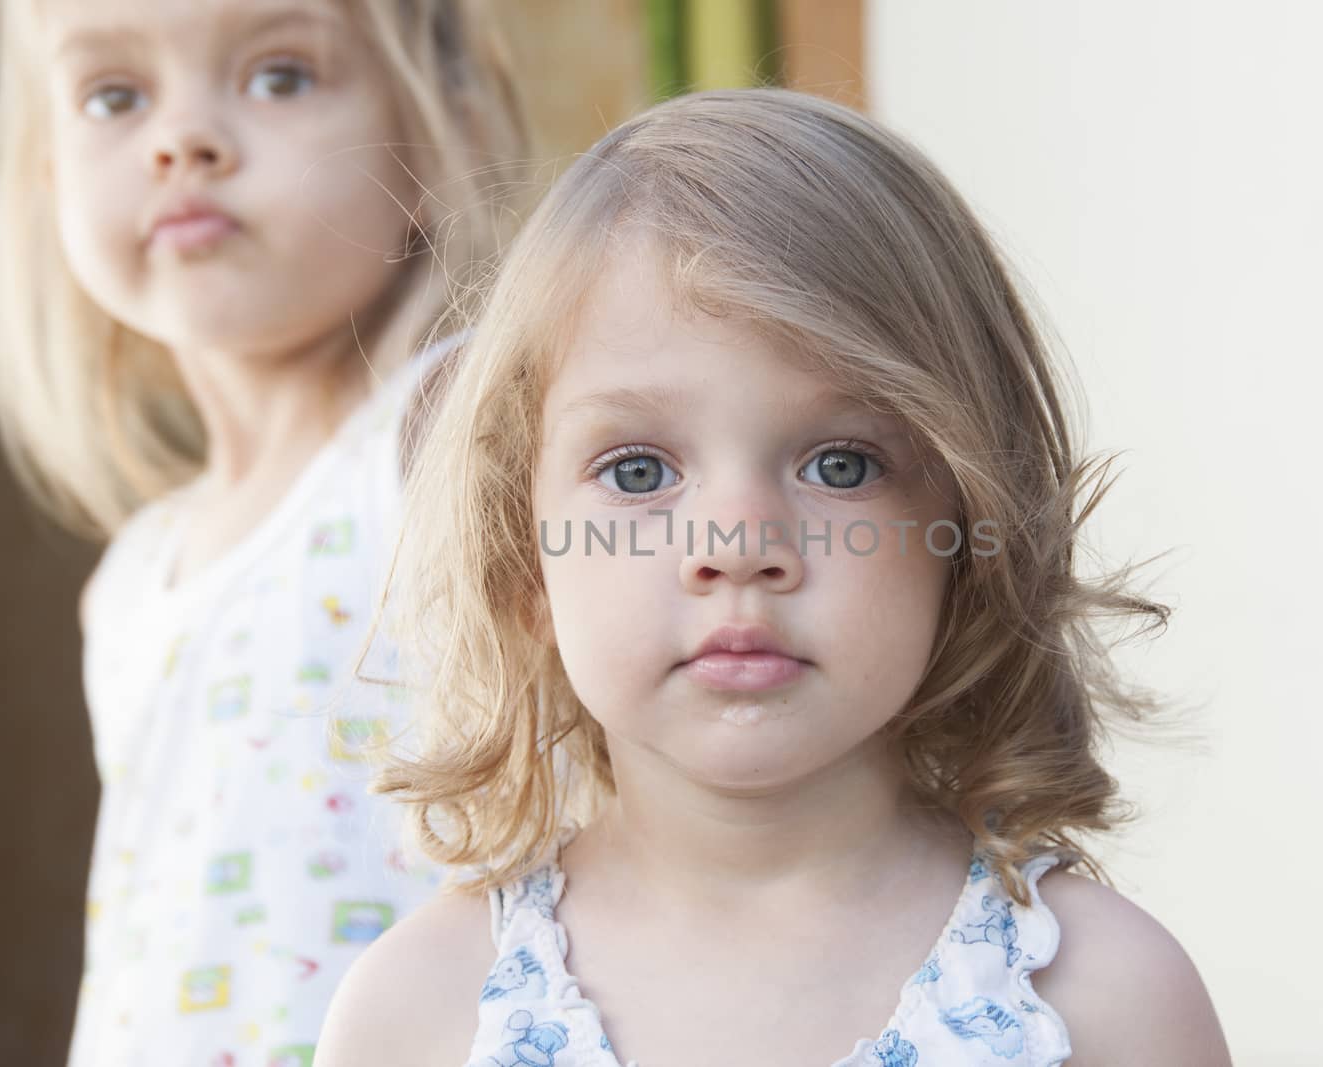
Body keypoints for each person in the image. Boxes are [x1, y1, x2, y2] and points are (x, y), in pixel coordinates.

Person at [316, 88, 1232, 1067]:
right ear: (523, 563)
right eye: (637, 470)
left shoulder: (1102, 998)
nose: (739, 543)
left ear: (969, 533)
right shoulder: (419, 1015)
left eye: (840, 463)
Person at [0, 0, 528, 1062]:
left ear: (440, 121)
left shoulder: (446, 439)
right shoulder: (133, 579)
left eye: (279, 76)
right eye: (113, 96)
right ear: (48, 169)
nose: (183, 140)